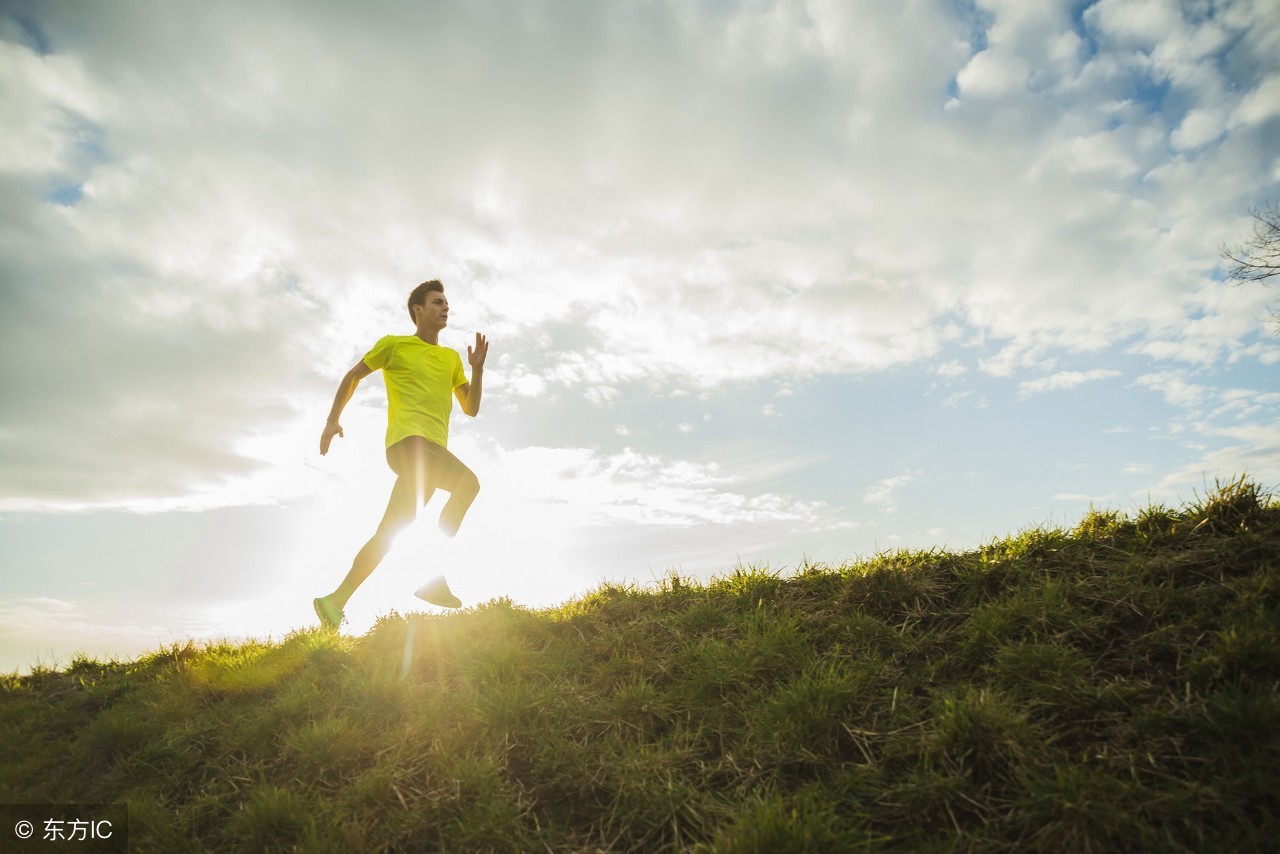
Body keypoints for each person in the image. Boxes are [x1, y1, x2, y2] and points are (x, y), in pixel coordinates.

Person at [313, 279, 489, 629]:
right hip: (408, 445)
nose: (445, 307)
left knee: (390, 532)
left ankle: (334, 602)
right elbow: (353, 376)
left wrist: (478, 369)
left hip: (432, 454)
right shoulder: (394, 345)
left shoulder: (451, 358)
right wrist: (332, 420)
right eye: (437, 302)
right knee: (468, 484)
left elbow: (470, 408)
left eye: (446, 303)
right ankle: (432, 576)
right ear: (417, 310)